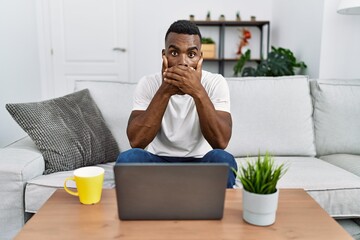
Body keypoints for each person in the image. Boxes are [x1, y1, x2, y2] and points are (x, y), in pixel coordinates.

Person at [116, 20, 237, 188]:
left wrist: (198, 91)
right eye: (174, 53)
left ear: (201, 58)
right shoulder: (148, 83)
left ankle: (202, 204)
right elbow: (137, 142)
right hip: (158, 162)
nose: (183, 62)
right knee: (127, 159)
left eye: (191, 54)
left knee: (224, 161)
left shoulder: (215, 83)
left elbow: (221, 142)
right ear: (164, 56)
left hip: (200, 163)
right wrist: (165, 90)